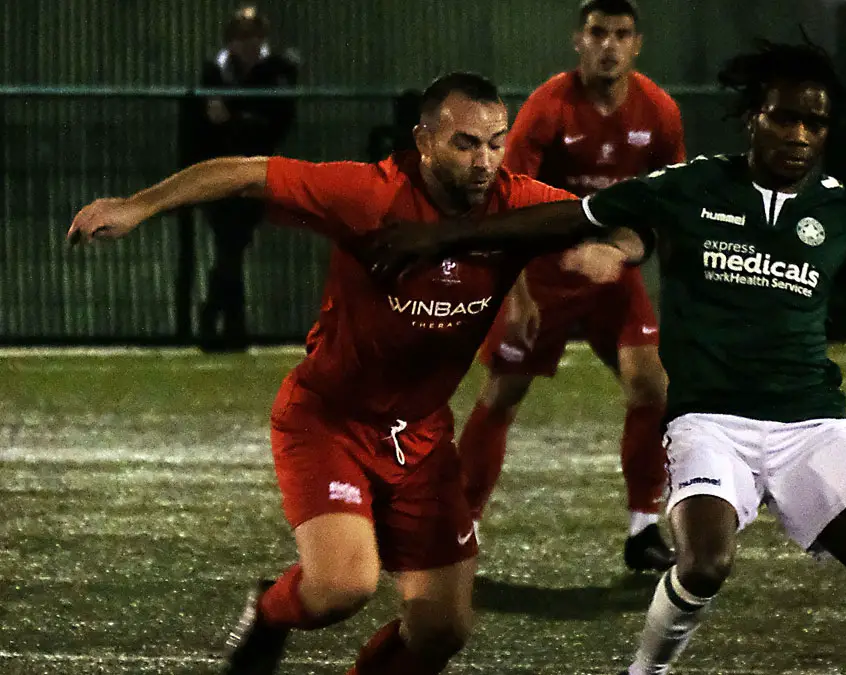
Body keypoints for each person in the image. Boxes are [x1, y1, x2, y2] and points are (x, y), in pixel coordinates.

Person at [359, 38, 846, 675]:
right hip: (710, 421)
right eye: (783, 116)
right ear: (752, 117)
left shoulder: (845, 216)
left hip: (812, 426)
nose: (798, 133)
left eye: (814, 122)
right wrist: (439, 237)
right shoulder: (694, 187)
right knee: (704, 561)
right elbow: (568, 214)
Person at [67, 72, 630, 675]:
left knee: (440, 630)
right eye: (466, 143)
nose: (484, 160)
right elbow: (249, 172)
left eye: (496, 142)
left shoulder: (515, 201)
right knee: (342, 586)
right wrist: (138, 205)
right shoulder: (369, 195)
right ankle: (271, 611)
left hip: (421, 436)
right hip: (329, 420)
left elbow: (624, 215)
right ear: (424, 141)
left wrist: (618, 247)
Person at [459, 0, 685, 572]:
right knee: (503, 393)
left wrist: (617, 251)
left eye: (621, 34)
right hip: (543, 270)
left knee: (651, 388)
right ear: (577, 41)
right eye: (597, 32)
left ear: (638, 44)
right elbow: (506, 203)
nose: (609, 45)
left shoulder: (658, 112)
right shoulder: (547, 108)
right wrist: (515, 292)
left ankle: (643, 531)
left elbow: (665, 210)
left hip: (612, 270)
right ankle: (456, 527)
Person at [194, 5, 299, 351]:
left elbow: (276, 120)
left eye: (255, 37)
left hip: (258, 170)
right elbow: (207, 119)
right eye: (243, 37)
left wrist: (233, 118)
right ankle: (229, 327)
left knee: (231, 243)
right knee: (229, 244)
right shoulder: (216, 70)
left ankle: (214, 320)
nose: (249, 44)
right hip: (218, 169)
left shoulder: (278, 69)